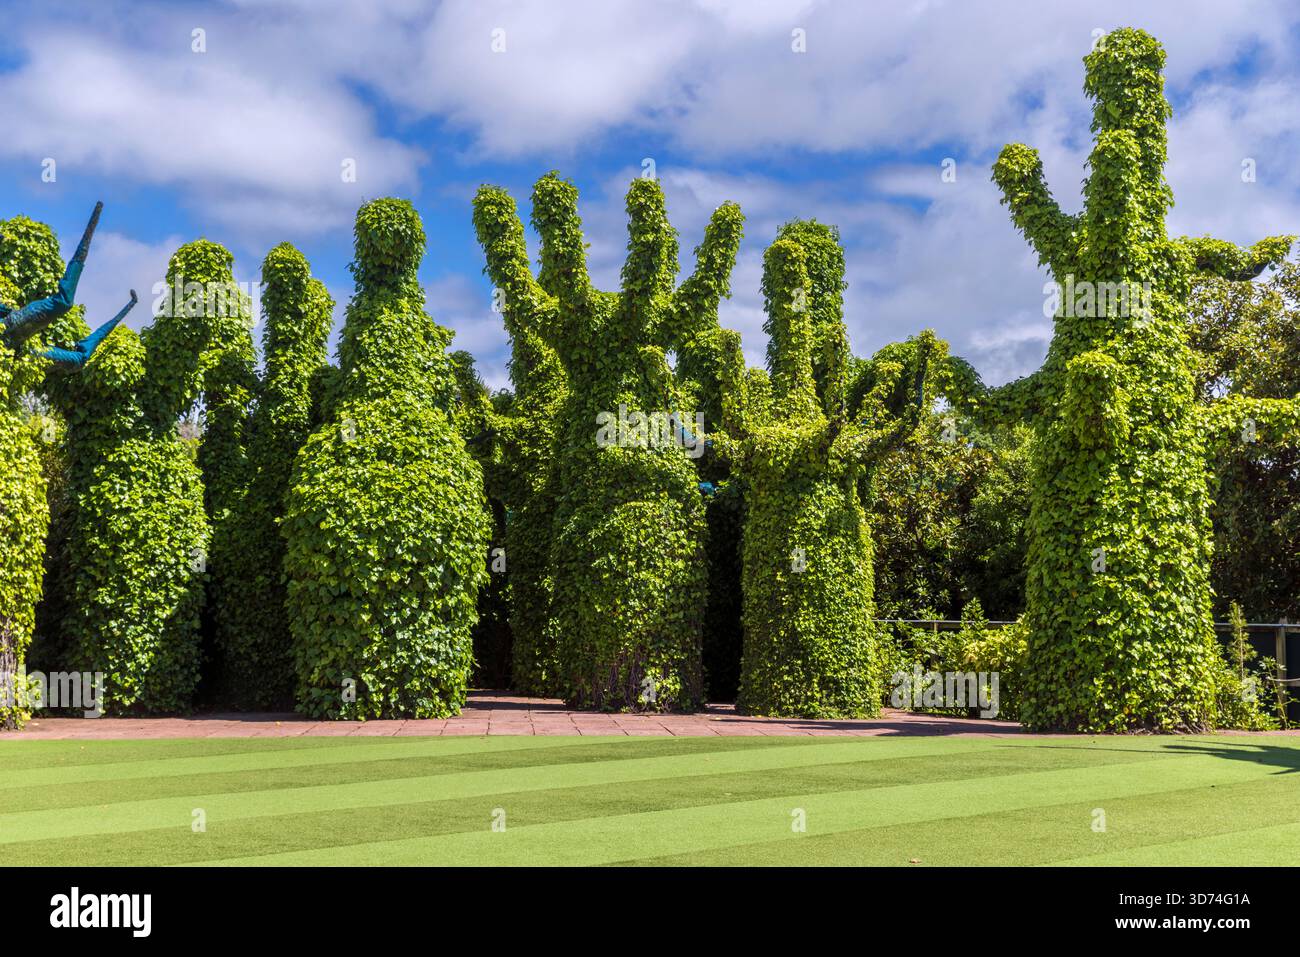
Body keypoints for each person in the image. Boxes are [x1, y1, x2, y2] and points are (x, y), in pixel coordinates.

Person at [0, 201, 135, 365]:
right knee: (63, 305)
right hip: (14, 345)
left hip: (17, 340)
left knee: (78, 358)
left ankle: (88, 235)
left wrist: (129, 306)